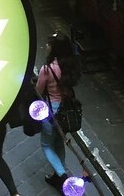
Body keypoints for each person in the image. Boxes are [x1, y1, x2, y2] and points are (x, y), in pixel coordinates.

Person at [36, 32, 82, 189]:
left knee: (47, 145)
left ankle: (62, 176)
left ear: (54, 48)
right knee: (59, 143)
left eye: (49, 44)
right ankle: (57, 176)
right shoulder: (70, 67)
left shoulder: (47, 69)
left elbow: (38, 91)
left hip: (51, 113)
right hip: (66, 112)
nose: (47, 46)